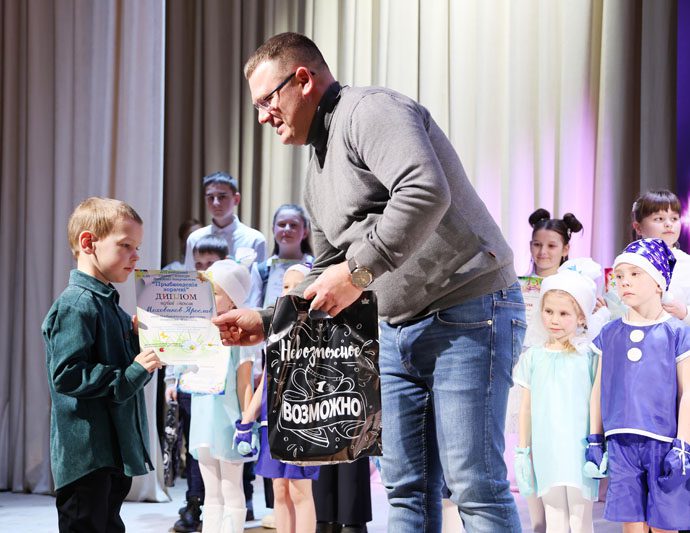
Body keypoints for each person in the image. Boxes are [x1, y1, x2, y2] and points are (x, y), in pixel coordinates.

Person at [215, 32, 526, 531]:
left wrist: (359, 271)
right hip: (394, 329)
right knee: (404, 490)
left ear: (303, 79)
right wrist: (269, 319)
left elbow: (425, 189)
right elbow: (326, 268)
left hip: (468, 311)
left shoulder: (371, 111)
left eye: (266, 100)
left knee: (475, 487)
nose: (262, 117)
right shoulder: (316, 171)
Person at [42, 197, 163, 532]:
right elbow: (67, 375)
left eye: (137, 247)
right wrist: (134, 371)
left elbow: (128, 379)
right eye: (125, 245)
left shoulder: (113, 308)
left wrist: (140, 348)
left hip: (112, 451)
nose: (135, 256)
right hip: (87, 456)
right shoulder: (76, 304)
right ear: (88, 243)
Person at [586, 239, 690, 531]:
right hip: (621, 442)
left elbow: (687, 393)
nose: (625, 282)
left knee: (664, 524)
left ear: (658, 282)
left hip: (664, 442)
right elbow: (598, 389)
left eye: (635, 274)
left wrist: (683, 444)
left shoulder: (676, 332)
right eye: (620, 276)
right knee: (631, 524)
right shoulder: (609, 333)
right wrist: (595, 437)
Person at [514, 259, 602, 532]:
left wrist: (596, 440)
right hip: (546, 449)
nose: (554, 320)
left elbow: (596, 401)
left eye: (564, 314)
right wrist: (522, 450)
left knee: (580, 518)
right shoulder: (533, 357)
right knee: (554, 517)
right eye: (549, 311)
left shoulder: (589, 356)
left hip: (579, 448)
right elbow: (526, 407)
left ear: (581, 317)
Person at [235, 263, 319, 533]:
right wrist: (247, 420)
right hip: (272, 421)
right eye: (285, 286)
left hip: (303, 420)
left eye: (296, 285)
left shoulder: (320, 332)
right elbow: (268, 380)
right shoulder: (276, 333)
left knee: (300, 490)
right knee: (279, 489)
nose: (289, 291)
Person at [166, 234, 230, 532]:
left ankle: (231, 505)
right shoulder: (187, 303)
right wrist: (171, 379)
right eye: (199, 264)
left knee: (225, 450)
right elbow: (176, 342)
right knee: (196, 449)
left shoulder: (231, 304)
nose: (203, 270)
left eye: (210, 264)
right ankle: (194, 504)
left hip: (223, 390)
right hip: (192, 386)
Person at [187, 259, 255, 532]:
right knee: (211, 489)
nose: (208, 297)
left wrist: (246, 422)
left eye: (215, 292)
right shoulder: (199, 331)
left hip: (228, 421)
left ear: (233, 300)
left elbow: (245, 383)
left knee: (231, 486)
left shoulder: (240, 335)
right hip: (202, 418)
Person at [184, 171, 267, 269]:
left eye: (222, 197)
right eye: (210, 197)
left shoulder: (254, 239)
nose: (215, 203)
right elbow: (190, 275)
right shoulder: (195, 238)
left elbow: (259, 277)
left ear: (236, 199)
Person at [631, 190, 690, 325]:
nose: (669, 224)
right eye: (659, 219)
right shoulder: (627, 263)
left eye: (674, 219)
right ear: (638, 228)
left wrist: (685, 312)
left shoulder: (687, 263)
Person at [246, 203, 314, 309]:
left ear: (305, 232)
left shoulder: (316, 266)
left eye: (293, 225)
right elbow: (253, 308)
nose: (287, 229)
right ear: (273, 229)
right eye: (282, 224)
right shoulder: (261, 270)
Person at [527, 209, 584, 277]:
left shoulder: (575, 282)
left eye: (551, 245)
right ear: (530, 246)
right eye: (537, 244)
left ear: (565, 249)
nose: (542, 251)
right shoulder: (519, 282)